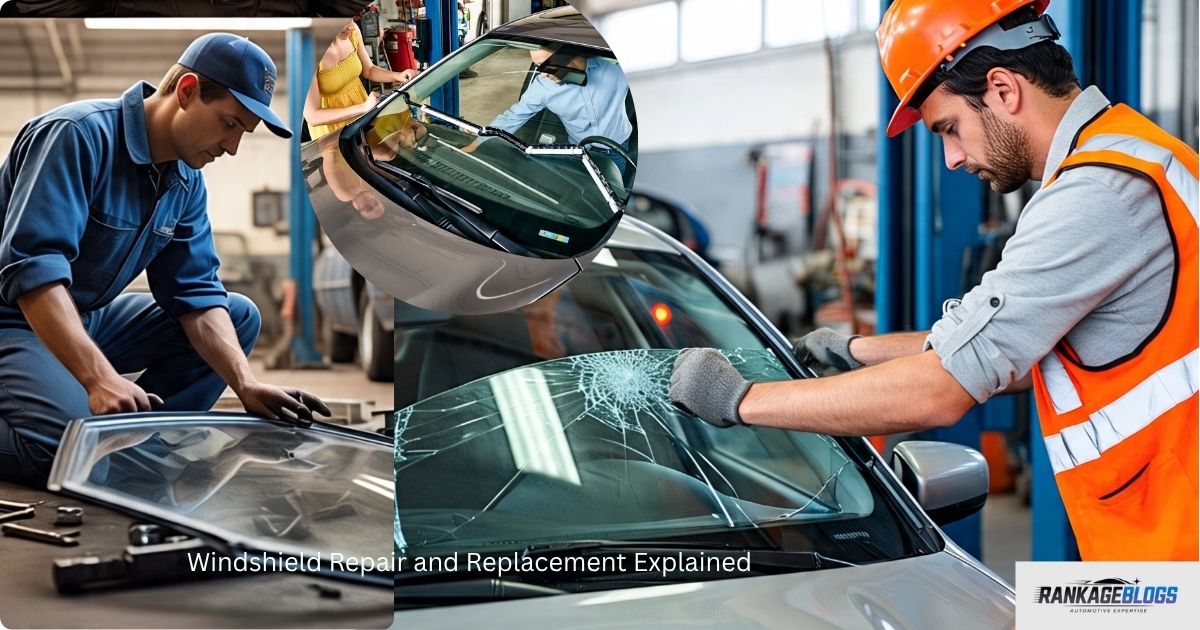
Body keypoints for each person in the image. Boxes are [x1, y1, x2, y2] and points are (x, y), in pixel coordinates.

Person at [669, 0, 1197, 561]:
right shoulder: (1139, 156)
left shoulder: (1096, 195)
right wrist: (853, 351)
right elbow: (1009, 344)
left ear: (1002, 89)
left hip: (1173, 568)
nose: (950, 158)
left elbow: (942, 388)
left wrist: (739, 400)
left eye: (950, 128)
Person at [0, 33, 332, 488]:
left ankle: (138, 451)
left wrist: (245, 383)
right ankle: (79, 441)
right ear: (187, 90)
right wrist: (99, 379)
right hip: (14, 319)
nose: (232, 147)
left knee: (237, 317)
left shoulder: (184, 181)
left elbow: (194, 291)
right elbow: (34, 273)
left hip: (84, 317)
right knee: (63, 456)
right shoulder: (76, 136)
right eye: (230, 124)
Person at [463, 45, 633, 174]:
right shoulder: (543, 86)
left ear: (566, 53)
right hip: (578, 152)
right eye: (537, 66)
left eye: (545, 65)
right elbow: (512, 117)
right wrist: (476, 144)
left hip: (616, 150)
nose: (542, 74)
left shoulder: (615, 67)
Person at [304, 16, 416, 140]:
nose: (351, 26)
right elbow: (313, 116)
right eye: (343, 22)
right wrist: (363, 107)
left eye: (351, 19)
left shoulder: (352, 32)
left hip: (361, 115)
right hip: (332, 129)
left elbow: (369, 70)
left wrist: (398, 76)